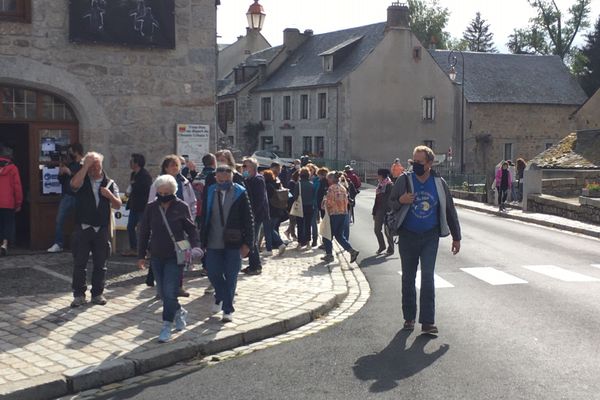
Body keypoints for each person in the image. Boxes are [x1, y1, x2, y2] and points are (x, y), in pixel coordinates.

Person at [388, 145, 461, 335]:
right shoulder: (404, 180)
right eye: (413, 162)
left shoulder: (439, 183)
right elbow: (391, 203)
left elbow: (449, 209)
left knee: (428, 277)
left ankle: (428, 322)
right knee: (408, 277)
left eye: (419, 162)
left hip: (430, 236)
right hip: (407, 235)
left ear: (429, 163)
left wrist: (456, 236)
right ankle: (409, 318)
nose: (415, 166)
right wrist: (401, 200)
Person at [137, 175, 201, 343]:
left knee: (170, 291)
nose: (164, 195)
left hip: (176, 255)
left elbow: (191, 229)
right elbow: (143, 232)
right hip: (157, 255)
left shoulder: (181, 207)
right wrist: (141, 255)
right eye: (161, 192)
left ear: (173, 191)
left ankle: (166, 325)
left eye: (167, 192)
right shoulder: (151, 208)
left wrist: (196, 246)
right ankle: (179, 312)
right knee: (164, 293)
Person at [201, 164, 254, 323]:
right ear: (216, 177)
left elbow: (249, 219)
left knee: (231, 276)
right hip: (212, 240)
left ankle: (227, 309)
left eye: (227, 178)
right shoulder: (210, 191)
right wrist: (201, 238)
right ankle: (220, 297)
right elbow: (204, 215)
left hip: (234, 241)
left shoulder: (240, 192)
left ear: (232, 177)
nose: (223, 181)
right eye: (220, 178)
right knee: (213, 272)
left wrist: (248, 244)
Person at [69, 152, 122, 308]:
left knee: (101, 263)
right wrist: (85, 166)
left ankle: (97, 293)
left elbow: (118, 204)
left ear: (101, 165)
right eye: (91, 165)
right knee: (80, 263)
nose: (93, 168)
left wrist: (110, 195)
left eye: (96, 164)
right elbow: (73, 185)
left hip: (101, 229)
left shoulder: (110, 183)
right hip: (83, 227)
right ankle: (78, 295)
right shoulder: (82, 179)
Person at [147, 155, 196, 296]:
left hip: (181, 227)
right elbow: (151, 202)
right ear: (165, 168)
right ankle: (161, 288)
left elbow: (192, 202)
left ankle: (178, 286)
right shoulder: (158, 183)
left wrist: (190, 217)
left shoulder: (184, 182)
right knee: (160, 258)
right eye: (171, 165)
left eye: (177, 165)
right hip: (163, 227)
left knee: (182, 256)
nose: (175, 168)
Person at [48, 143, 84, 253]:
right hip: (67, 196)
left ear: (76, 151)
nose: (69, 154)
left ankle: (84, 245)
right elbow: (62, 181)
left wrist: (69, 172)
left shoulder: (84, 165)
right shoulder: (71, 164)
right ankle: (59, 244)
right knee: (59, 220)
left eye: (71, 151)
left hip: (80, 197)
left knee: (83, 222)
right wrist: (61, 173)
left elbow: (82, 180)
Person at [321, 171, 360, 264]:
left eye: (328, 179)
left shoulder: (331, 188)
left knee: (327, 235)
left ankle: (329, 255)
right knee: (339, 235)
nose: (327, 181)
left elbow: (329, 203)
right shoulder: (343, 188)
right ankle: (351, 251)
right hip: (343, 213)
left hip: (334, 214)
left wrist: (323, 203)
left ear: (332, 179)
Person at [122, 153, 152, 257]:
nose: (130, 163)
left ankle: (147, 250)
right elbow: (131, 186)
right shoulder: (133, 174)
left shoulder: (145, 176)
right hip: (134, 206)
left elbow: (146, 191)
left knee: (143, 229)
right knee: (130, 227)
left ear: (137, 163)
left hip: (142, 207)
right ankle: (134, 248)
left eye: (131, 161)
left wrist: (134, 188)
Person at [241, 157, 268, 275]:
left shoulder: (258, 180)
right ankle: (253, 264)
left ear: (252, 167)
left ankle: (256, 266)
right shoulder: (248, 179)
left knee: (253, 241)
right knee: (251, 240)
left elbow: (259, 200)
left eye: (245, 166)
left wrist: (252, 215)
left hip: (256, 215)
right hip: (250, 215)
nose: (243, 168)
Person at [0, 147, 23, 257]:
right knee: (7, 223)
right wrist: (18, 202)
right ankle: (4, 244)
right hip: (8, 202)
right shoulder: (13, 168)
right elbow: (17, 187)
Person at [263, 169, 287, 256]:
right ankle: (279, 244)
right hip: (278, 210)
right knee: (271, 229)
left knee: (268, 230)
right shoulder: (277, 184)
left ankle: (270, 248)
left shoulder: (267, 186)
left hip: (269, 211)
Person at [373, 168, 394, 256]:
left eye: (378, 175)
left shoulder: (389, 185)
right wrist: (374, 211)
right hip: (378, 210)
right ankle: (382, 246)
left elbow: (390, 199)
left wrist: (389, 211)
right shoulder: (380, 185)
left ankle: (391, 248)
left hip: (387, 211)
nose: (377, 176)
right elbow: (377, 199)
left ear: (382, 175)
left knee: (387, 231)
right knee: (377, 229)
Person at [292, 167, 314, 249]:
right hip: (310, 206)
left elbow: (295, 196)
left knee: (300, 224)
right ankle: (308, 243)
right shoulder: (311, 184)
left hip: (300, 206)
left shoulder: (298, 184)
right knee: (308, 225)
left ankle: (300, 243)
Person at [284, 169, 300, 241]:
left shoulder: (295, 183)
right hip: (291, 204)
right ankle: (292, 234)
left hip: (294, 203)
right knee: (293, 219)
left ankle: (288, 232)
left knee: (294, 220)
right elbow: (291, 194)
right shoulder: (292, 183)